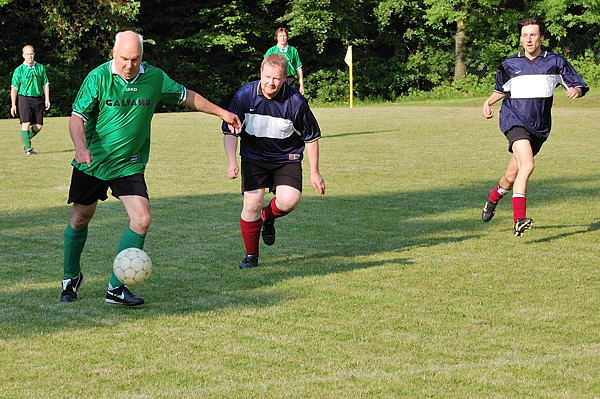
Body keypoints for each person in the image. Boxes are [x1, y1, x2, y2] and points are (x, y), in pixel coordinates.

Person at [60, 31, 241, 306]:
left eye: (134, 59)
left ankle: (116, 288)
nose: (128, 65)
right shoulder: (97, 78)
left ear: (142, 57)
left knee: (142, 218)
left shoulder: (154, 77)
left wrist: (222, 112)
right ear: (113, 53)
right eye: (123, 58)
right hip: (93, 161)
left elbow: (186, 96)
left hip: (129, 164)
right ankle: (70, 278)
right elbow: (76, 119)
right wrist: (81, 147)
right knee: (80, 218)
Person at [481, 16, 588, 237]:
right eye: (524, 35)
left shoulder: (555, 62)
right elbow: (502, 89)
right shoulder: (510, 64)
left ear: (541, 37)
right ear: (520, 38)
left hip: (539, 127)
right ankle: (519, 219)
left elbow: (578, 84)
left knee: (511, 176)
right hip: (514, 120)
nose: (528, 39)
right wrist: (488, 102)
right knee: (528, 165)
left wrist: (575, 91)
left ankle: (493, 198)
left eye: (532, 35)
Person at [223, 53, 325, 269]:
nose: (271, 83)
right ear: (260, 72)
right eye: (267, 77)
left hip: (286, 158)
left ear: (285, 78)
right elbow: (230, 131)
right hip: (254, 157)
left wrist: (315, 172)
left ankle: (267, 218)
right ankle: (251, 255)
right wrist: (232, 162)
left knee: (289, 201)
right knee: (251, 204)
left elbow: (311, 137)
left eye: (277, 78)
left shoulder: (295, 102)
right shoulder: (245, 95)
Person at [10, 45, 50, 155]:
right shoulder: (19, 70)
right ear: (23, 55)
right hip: (24, 99)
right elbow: (14, 88)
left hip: (38, 99)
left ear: (34, 54)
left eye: (31, 53)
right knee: (26, 123)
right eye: (27, 54)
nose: (30, 56)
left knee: (38, 127)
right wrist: (13, 105)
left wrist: (47, 99)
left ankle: (25, 140)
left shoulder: (40, 68)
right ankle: (28, 149)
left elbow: (45, 84)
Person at [264, 27, 305, 95]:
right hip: (276, 79)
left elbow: (298, 68)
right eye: (280, 36)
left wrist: (302, 85)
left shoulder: (293, 50)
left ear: (287, 37)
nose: (282, 38)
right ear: (277, 37)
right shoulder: (271, 51)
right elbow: (265, 68)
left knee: (291, 101)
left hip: (290, 80)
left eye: (284, 36)